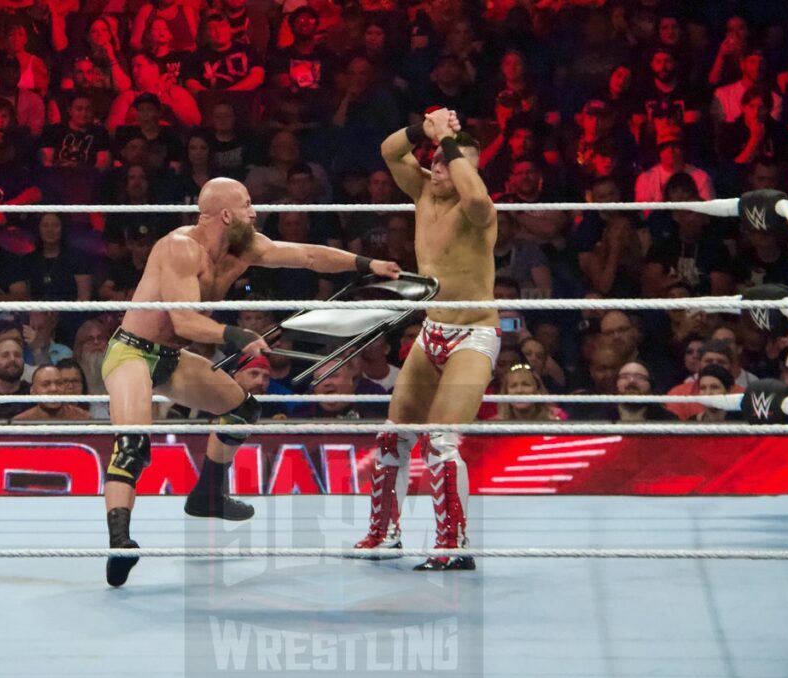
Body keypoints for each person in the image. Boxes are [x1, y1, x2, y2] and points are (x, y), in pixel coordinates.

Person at [99, 176, 399, 587]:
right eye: (247, 204)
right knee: (133, 444)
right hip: (133, 351)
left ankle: (208, 494)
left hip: (168, 359)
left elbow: (307, 256)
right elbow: (183, 320)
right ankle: (120, 542)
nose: (255, 212)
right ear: (226, 214)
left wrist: (365, 265)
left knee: (242, 408)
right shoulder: (180, 248)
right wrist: (235, 336)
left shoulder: (245, 247)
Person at [355, 107, 498, 571]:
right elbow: (388, 151)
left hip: (474, 333)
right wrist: (427, 128)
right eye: (434, 160)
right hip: (432, 329)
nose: (439, 168)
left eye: (449, 163)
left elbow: (475, 196)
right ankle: (384, 534)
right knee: (393, 439)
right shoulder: (421, 192)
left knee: (441, 440)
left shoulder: (477, 211)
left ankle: (454, 546)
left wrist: (452, 149)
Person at [14, 365, 92, 421]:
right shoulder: (21, 422)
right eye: (46, 384)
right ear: (33, 391)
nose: (54, 389)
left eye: (59, 383)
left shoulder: (83, 418)